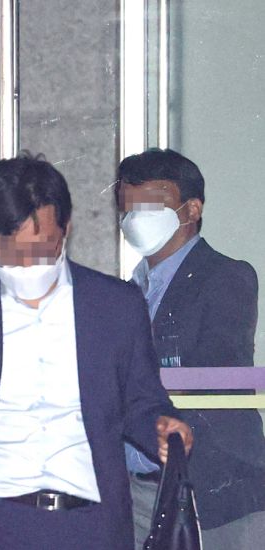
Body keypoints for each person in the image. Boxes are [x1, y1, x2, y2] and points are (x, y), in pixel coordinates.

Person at [0, 153, 192, 550]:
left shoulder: (116, 306)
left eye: (44, 248)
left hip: (89, 527)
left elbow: (141, 400)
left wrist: (161, 428)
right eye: (13, 253)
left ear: (66, 230)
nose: (29, 265)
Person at [117, 148, 265, 549]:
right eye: (129, 207)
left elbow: (217, 372)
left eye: (151, 203)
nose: (136, 217)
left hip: (212, 491)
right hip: (134, 492)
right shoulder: (125, 292)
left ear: (192, 209)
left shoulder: (225, 277)